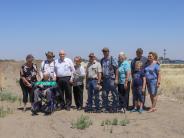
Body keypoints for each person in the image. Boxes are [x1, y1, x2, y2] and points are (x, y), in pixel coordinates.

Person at [100, 47, 119, 112]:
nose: (105, 53)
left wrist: (116, 79)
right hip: (105, 79)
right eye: (104, 51)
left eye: (106, 51)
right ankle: (105, 107)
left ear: (108, 52)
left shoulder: (112, 59)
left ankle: (114, 107)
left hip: (111, 79)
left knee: (114, 94)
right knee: (104, 94)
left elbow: (116, 69)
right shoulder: (102, 60)